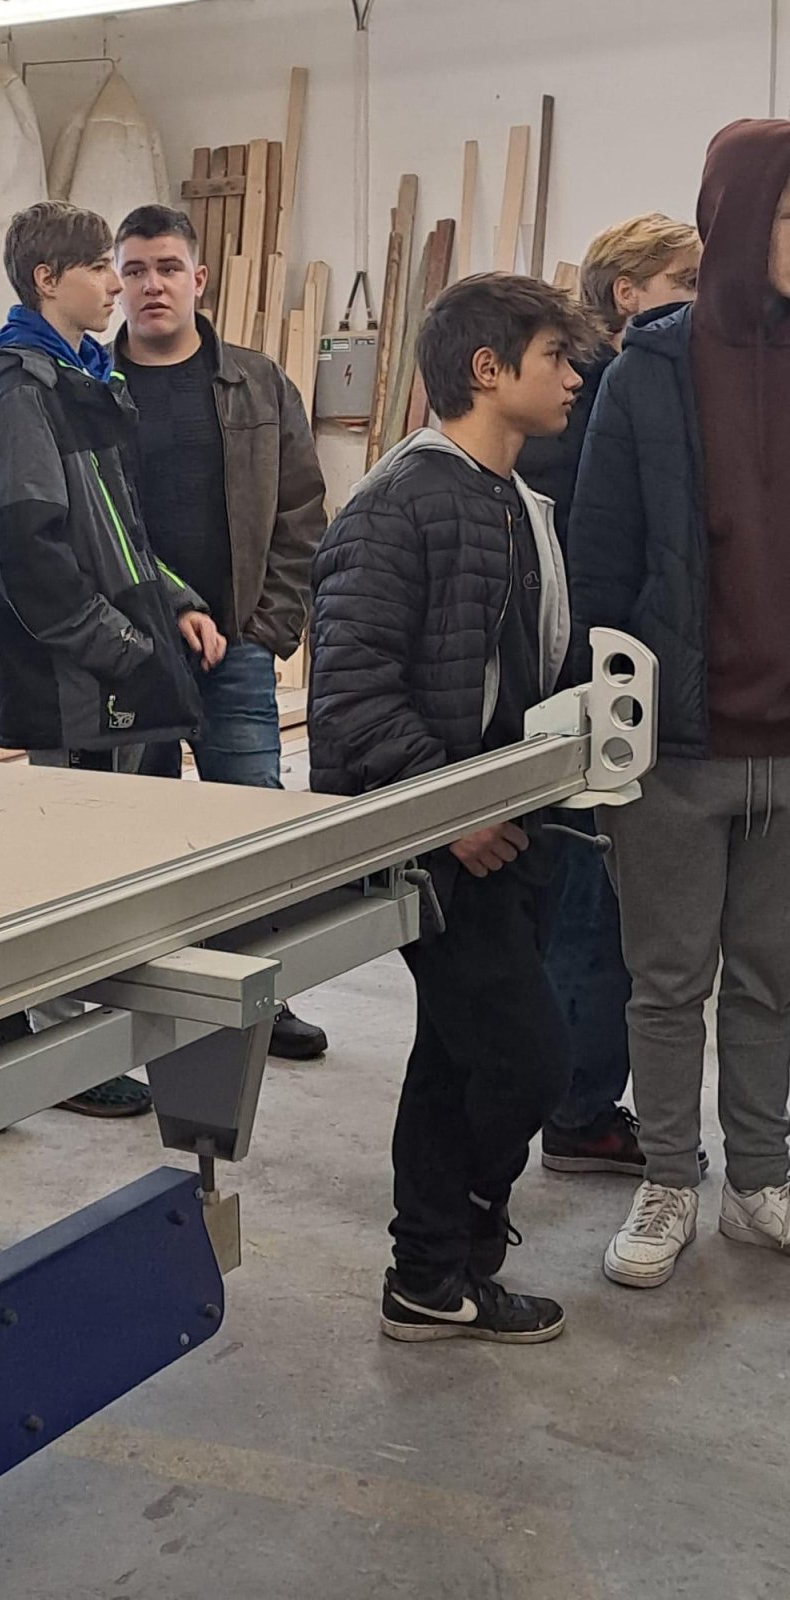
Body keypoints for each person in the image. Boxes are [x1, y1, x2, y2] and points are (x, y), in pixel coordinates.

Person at [310, 273, 599, 1343]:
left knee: (454, 1056)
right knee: (528, 1059)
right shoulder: (401, 502)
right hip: (438, 842)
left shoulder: (516, 501)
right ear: (488, 369)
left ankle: (431, 1278)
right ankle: (462, 1236)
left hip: (510, 830)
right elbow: (350, 691)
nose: (573, 378)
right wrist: (448, 812)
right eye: (555, 357)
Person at [568, 120, 790, 1288]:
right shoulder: (646, 374)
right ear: (745, 218)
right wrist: (608, 731)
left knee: (771, 981)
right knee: (667, 983)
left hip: (789, 748)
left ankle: (760, 1179)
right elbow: (601, 561)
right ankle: (668, 1180)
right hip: (675, 745)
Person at [0, 199, 222, 1118]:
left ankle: (77, 1022)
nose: (118, 284)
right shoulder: (21, 393)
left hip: (113, 669)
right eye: (101, 268)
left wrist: (173, 601)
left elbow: (118, 533)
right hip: (74, 682)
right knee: (68, 867)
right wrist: (122, 648)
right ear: (47, 280)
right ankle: (63, 1049)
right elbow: (29, 553)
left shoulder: (81, 380)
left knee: (112, 864)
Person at [112, 204, 331, 1063]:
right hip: (130, 656)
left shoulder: (257, 383)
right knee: (138, 835)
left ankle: (263, 1000)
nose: (152, 285)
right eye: (135, 269)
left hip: (235, 646)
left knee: (250, 826)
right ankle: (155, 1005)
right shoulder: (92, 391)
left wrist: (266, 629)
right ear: (116, 283)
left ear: (199, 279)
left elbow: (301, 508)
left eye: (168, 267)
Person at [516, 215, 700, 1178]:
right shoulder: (599, 397)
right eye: (684, 280)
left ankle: (575, 1100)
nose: (701, 299)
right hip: (595, 689)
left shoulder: (605, 390)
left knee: (596, 911)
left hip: (603, 684)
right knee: (594, 912)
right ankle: (579, 1110)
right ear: (627, 293)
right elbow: (596, 561)